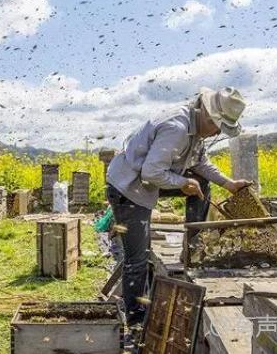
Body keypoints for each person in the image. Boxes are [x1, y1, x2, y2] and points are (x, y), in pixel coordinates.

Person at [105, 86, 251, 326]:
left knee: (201, 183)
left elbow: (201, 163)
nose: (216, 132)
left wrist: (229, 184)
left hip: (148, 181)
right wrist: (183, 183)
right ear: (207, 114)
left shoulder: (195, 131)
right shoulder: (177, 128)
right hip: (128, 189)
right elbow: (151, 172)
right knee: (138, 257)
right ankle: (135, 319)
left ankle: (192, 245)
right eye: (217, 126)